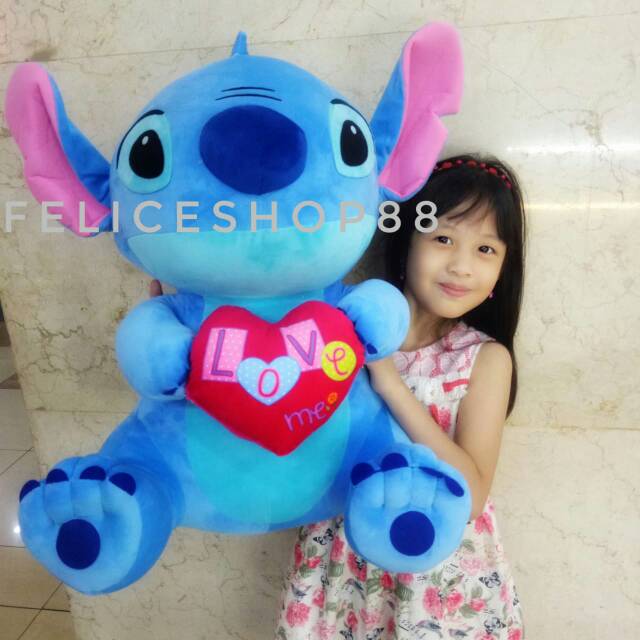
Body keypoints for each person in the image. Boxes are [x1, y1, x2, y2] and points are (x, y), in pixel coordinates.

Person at [273, 154, 527, 640]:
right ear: (407, 238)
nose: (461, 266)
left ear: (503, 268)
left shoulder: (483, 359)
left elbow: (473, 495)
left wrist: (389, 382)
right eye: (443, 239)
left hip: (436, 579)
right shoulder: (341, 330)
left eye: (485, 250)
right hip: (342, 562)